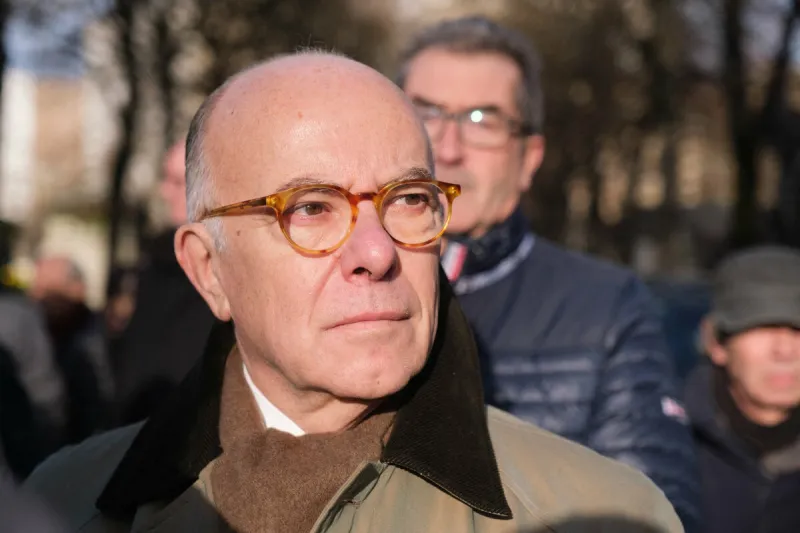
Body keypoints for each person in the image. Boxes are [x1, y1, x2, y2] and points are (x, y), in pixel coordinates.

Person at [24, 52, 682, 533]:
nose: (377, 253)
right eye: (310, 208)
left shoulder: (601, 514)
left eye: (410, 199)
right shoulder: (63, 502)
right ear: (207, 269)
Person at [396, 15, 700, 529]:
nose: (446, 147)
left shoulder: (606, 307)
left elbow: (652, 516)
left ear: (529, 157)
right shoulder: (336, 279)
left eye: (481, 120)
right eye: (425, 112)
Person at [686, 246, 800, 533]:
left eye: (799, 330)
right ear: (716, 343)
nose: (785, 350)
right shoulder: (666, 442)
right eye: (762, 326)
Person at [109, 140, 216, 425]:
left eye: (178, 182)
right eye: (166, 178)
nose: (164, 191)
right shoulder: (153, 264)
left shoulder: (231, 269)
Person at [29, 255, 114, 443]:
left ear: (78, 289)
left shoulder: (96, 340)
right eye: (37, 289)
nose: (38, 299)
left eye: (50, 291)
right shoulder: (37, 333)